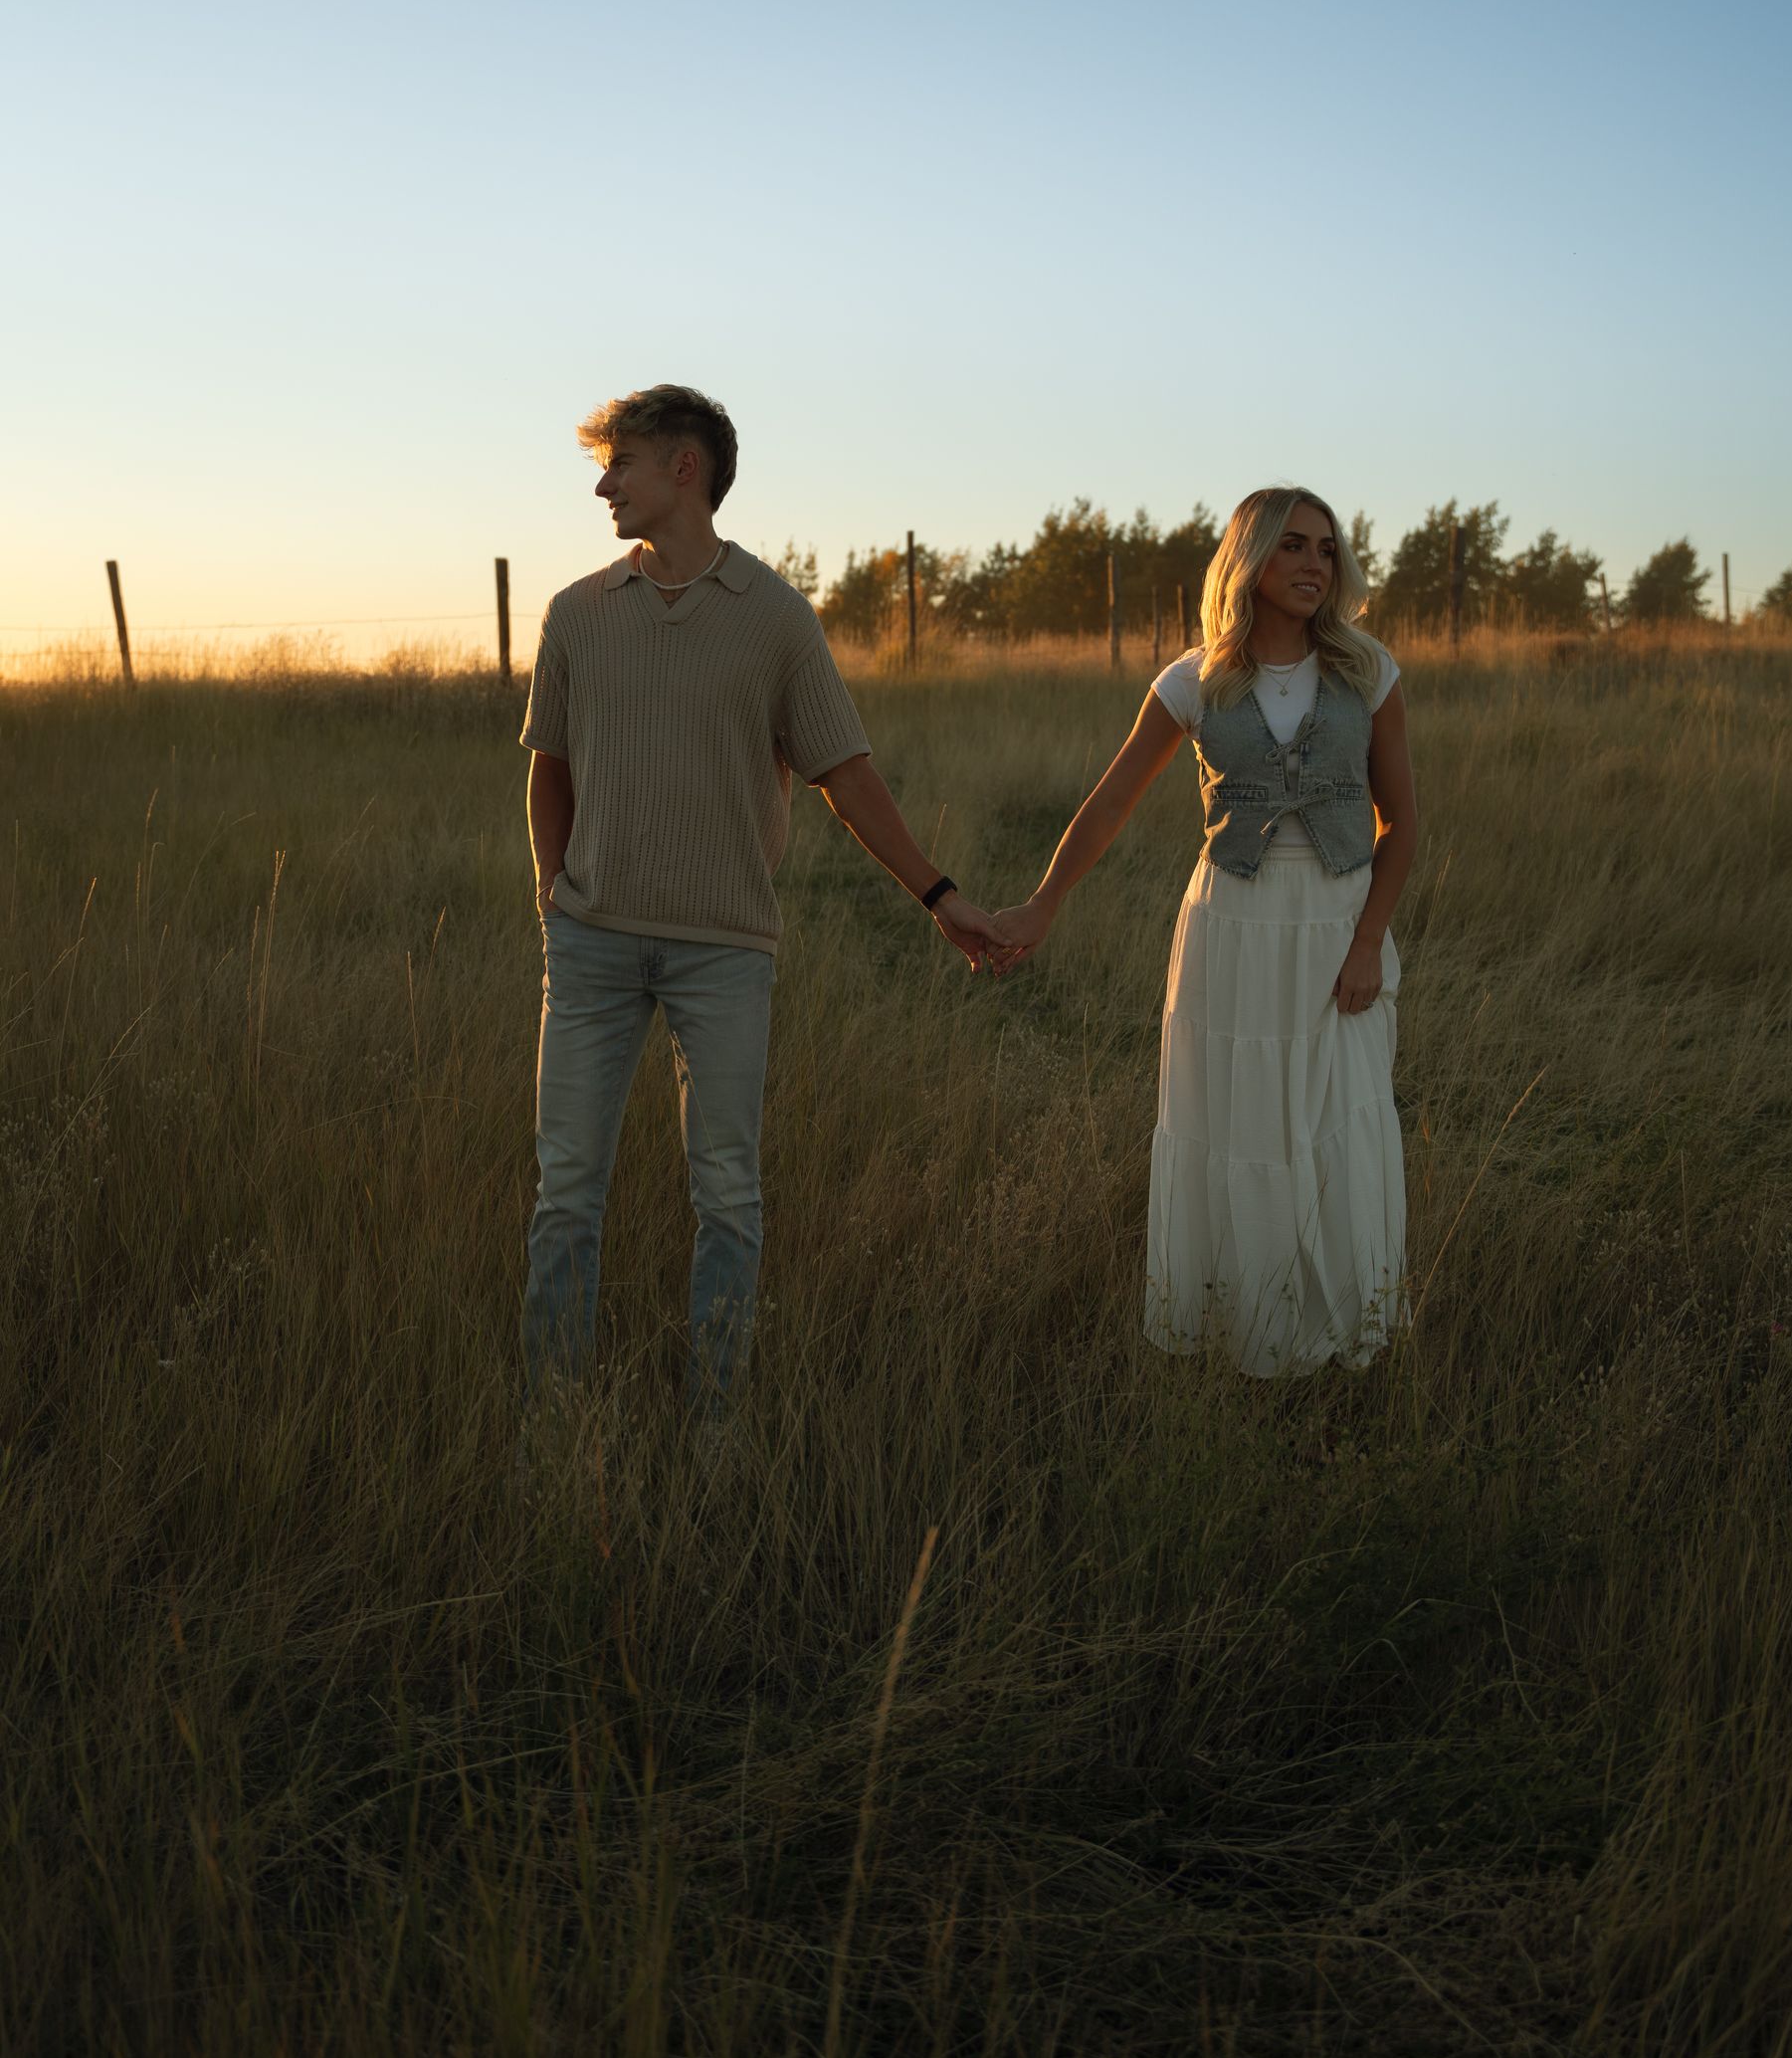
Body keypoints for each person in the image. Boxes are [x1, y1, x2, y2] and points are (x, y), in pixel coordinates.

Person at [519, 382, 1005, 1411]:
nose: (605, 486)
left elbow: (847, 775)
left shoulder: (777, 620)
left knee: (728, 1199)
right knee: (567, 1196)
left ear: (684, 469)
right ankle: (556, 1420)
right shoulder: (575, 613)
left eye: (622, 464)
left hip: (723, 952)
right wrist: (551, 899)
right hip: (594, 946)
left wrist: (939, 893)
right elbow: (548, 767)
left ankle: (718, 1425)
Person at [990, 487, 1417, 1375]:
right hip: (1234, 923)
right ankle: (1251, 1338)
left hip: (1338, 922)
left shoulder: (1366, 670)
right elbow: (1111, 802)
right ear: (1250, 558)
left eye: (1327, 550)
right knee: (1242, 1124)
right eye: (1293, 546)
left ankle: (1346, 1338)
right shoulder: (1193, 680)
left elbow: (1403, 826)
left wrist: (1370, 941)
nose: (1313, 565)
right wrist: (1044, 901)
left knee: (1341, 1119)